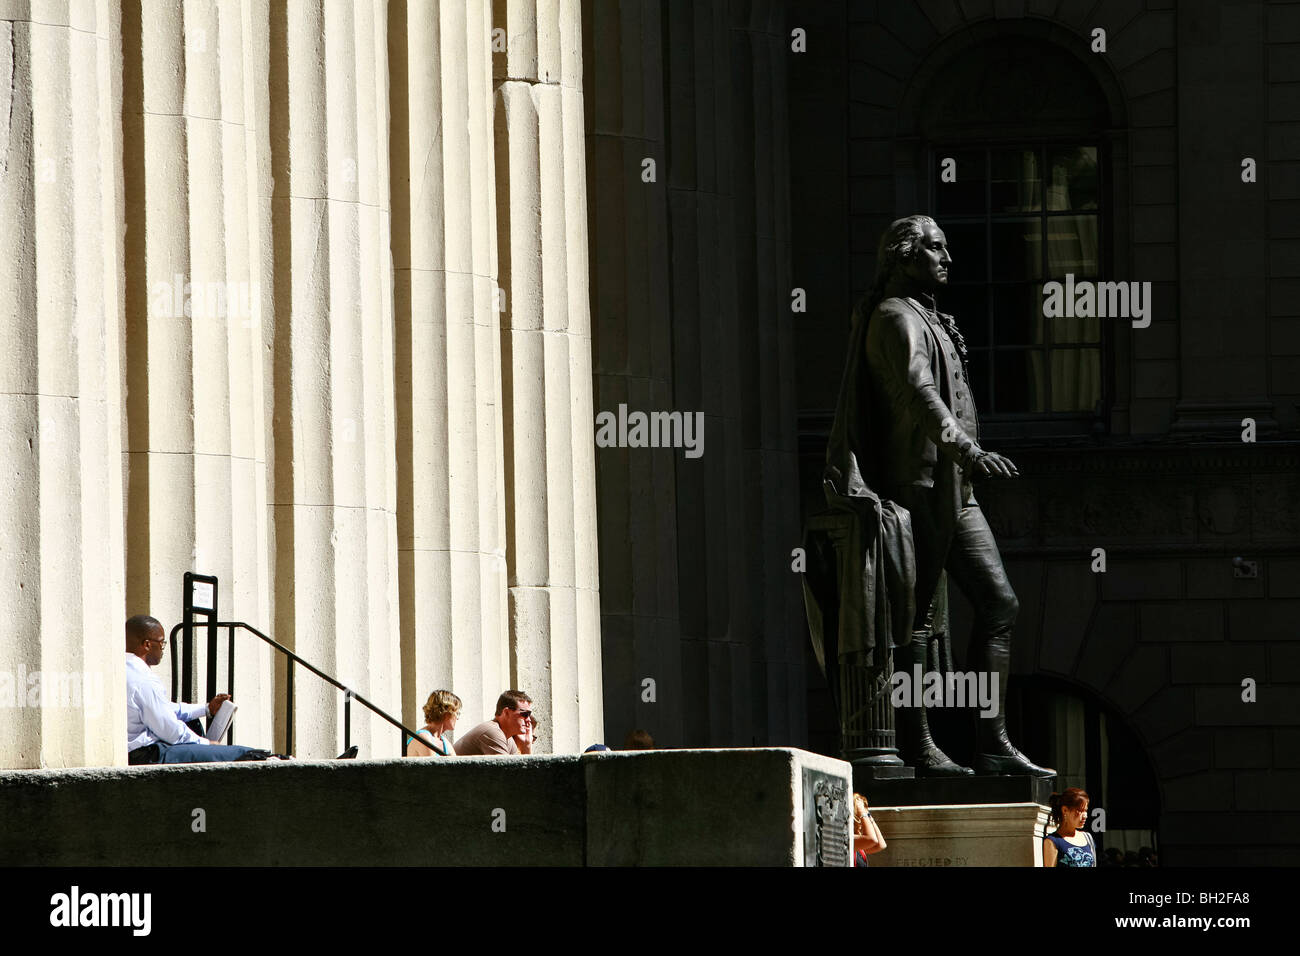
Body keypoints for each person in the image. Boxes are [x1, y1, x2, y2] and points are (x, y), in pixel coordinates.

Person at [858, 215, 1052, 777]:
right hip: (920, 485)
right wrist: (967, 451)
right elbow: (921, 392)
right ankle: (918, 746)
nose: (947, 258)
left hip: (952, 487)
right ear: (902, 255)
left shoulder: (925, 314)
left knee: (999, 603)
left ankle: (991, 743)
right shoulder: (896, 316)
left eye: (945, 248)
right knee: (916, 619)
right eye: (935, 249)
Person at [125, 614, 261, 764]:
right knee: (244, 754)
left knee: (194, 724)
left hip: (139, 752)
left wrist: (206, 709)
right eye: (162, 643)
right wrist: (206, 744)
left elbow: (166, 709)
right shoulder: (143, 679)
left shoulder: (124, 669)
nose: (163, 649)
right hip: (147, 754)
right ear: (147, 645)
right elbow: (169, 730)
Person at [454, 690, 533, 755]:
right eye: (525, 714)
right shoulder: (493, 732)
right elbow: (508, 772)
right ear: (506, 712)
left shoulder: (508, 739)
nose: (529, 720)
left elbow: (522, 771)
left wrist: (527, 745)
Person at [1043, 787, 1096, 867]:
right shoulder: (1052, 842)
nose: (1085, 816)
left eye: (1085, 810)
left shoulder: (1087, 838)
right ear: (1065, 810)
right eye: (1080, 811)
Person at [406, 689, 462, 757]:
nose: (458, 718)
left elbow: (456, 766)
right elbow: (434, 767)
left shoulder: (444, 742)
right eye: (457, 713)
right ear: (446, 713)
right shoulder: (423, 738)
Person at [853, 793, 887, 866]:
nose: (864, 820)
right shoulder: (849, 839)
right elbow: (872, 839)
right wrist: (862, 812)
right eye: (860, 817)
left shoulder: (858, 842)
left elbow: (881, 845)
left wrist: (869, 817)